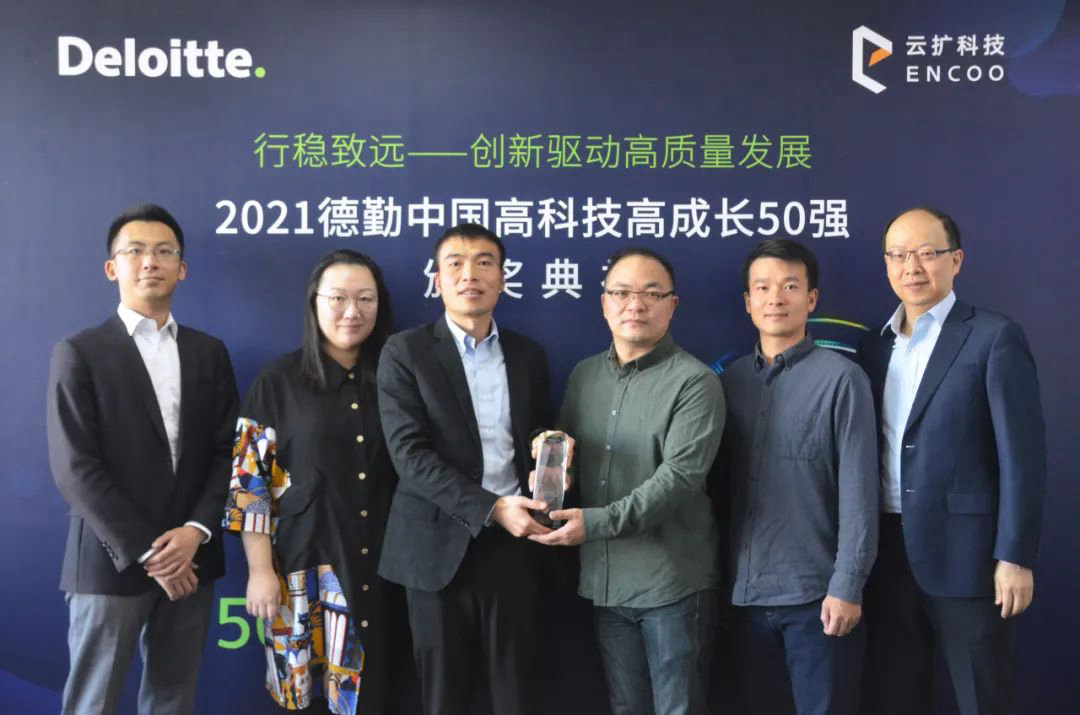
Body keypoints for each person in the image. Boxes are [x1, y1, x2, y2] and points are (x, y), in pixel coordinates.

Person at [46, 203, 238, 715]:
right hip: (110, 561)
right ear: (113, 268)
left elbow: (228, 453)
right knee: (92, 704)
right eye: (135, 251)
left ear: (182, 268)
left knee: (173, 700)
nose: (150, 261)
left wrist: (195, 532)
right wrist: (151, 553)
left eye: (164, 251)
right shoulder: (79, 352)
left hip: (192, 560)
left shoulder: (209, 352)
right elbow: (75, 468)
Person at [858, 208, 1047, 715]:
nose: (912, 267)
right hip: (887, 555)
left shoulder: (992, 337)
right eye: (899, 255)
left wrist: (1015, 557)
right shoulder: (873, 347)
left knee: (982, 699)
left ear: (956, 260)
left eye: (927, 253)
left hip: (971, 560)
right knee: (897, 697)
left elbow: (1023, 459)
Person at [533, 247, 724, 715]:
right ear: (604, 304)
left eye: (651, 294)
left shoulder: (695, 382)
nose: (635, 305)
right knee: (626, 708)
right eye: (621, 293)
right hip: (605, 582)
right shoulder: (584, 376)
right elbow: (570, 464)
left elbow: (678, 480)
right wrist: (551, 461)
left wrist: (595, 523)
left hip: (671, 583)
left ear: (672, 305)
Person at [225, 249, 414, 714]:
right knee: (307, 699)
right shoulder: (277, 382)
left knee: (383, 694)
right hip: (303, 569)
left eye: (365, 299)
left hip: (389, 569)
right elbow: (250, 485)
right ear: (314, 303)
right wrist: (259, 570)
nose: (352, 311)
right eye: (338, 298)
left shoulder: (398, 378)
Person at [376, 223, 552, 715]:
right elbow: (409, 455)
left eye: (484, 262)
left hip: (515, 546)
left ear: (502, 279)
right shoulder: (405, 351)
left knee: (516, 693)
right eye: (455, 263)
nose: (469, 274)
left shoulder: (528, 354)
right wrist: (491, 508)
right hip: (434, 547)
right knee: (443, 696)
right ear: (437, 280)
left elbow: (534, 430)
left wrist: (550, 444)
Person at [719, 239, 878, 715]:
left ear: (811, 299)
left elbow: (859, 493)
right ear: (747, 302)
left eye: (790, 286)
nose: (775, 298)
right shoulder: (727, 383)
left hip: (818, 600)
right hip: (741, 599)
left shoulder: (842, 379)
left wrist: (847, 585)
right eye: (762, 288)